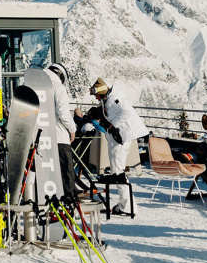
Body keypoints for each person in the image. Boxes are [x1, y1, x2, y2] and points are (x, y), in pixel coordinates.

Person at [90, 77, 148, 215]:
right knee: (117, 170)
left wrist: (113, 124)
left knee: (118, 172)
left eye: (97, 94)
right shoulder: (108, 100)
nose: (96, 97)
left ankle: (126, 206)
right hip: (117, 138)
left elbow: (127, 112)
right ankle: (126, 204)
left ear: (102, 92)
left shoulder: (114, 99)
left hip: (120, 139)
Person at [45, 63, 78, 200]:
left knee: (48, 176)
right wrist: (72, 129)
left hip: (42, 140)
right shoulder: (58, 87)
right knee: (66, 176)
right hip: (60, 139)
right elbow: (63, 113)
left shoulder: (37, 86)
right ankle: (68, 202)